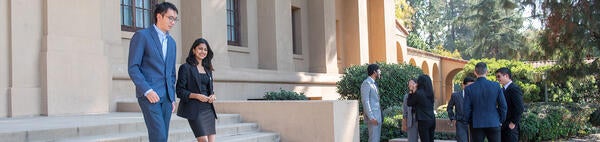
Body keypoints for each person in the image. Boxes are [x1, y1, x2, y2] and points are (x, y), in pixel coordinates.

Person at [127, 2, 178, 141]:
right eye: (170, 18)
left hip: (167, 98)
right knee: (159, 136)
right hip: (150, 95)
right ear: (159, 16)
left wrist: (172, 97)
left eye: (175, 19)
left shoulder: (172, 43)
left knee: (162, 136)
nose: (173, 22)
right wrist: (147, 90)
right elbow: (133, 67)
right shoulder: (142, 36)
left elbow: (171, 73)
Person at [176, 38, 218, 142]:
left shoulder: (208, 69)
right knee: (203, 140)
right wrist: (197, 96)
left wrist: (213, 95)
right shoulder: (185, 68)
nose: (203, 52)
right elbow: (179, 91)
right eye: (200, 49)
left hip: (208, 108)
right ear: (194, 50)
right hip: (195, 109)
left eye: (205, 49)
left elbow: (210, 89)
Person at [463, 62, 507, 142]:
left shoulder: (469, 89)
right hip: (493, 122)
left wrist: (470, 121)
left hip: (476, 123)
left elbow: (466, 109)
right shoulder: (496, 86)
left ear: (475, 72)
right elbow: (503, 106)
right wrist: (500, 120)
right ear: (487, 72)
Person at [495, 67, 524, 142]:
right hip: (503, 126)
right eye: (496, 77)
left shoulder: (514, 89)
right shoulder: (502, 90)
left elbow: (519, 107)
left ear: (506, 76)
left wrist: (513, 123)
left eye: (499, 76)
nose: (497, 79)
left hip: (510, 126)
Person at [407, 75, 436, 142]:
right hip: (432, 120)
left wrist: (411, 91)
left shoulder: (418, 93)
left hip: (423, 120)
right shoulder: (430, 93)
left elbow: (409, 103)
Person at [447, 77, 475, 142]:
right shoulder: (455, 95)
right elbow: (449, 108)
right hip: (460, 123)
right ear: (463, 85)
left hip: (473, 123)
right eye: (469, 86)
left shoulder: (475, 95)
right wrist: (452, 117)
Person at [360, 64, 382, 142]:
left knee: (376, 139)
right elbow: (365, 101)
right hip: (373, 118)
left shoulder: (374, 83)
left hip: (377, 116)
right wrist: (371, 117)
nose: (380, 72)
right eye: (379, 70)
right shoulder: (366, 83)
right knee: (373, 139)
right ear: (374, 72)